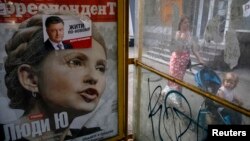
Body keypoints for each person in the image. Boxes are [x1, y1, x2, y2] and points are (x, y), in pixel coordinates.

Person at [3, 12, 107, 141]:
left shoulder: (96, 135)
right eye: (75, 62)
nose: (94, 77)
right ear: (30, 78)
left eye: (100, 68)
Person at [161, 16, 204, 107]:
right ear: (180, 24)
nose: (187, 24)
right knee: (175, 81)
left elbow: (194, 49)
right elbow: (176, 50)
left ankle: (165, 93)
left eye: (188, 22)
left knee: (177, 81)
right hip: (176, 62)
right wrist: (181, 38)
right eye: (185, 22)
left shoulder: (190, 35)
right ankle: (178, 102)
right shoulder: (177, 34)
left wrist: (200, 59)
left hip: (183, 64)